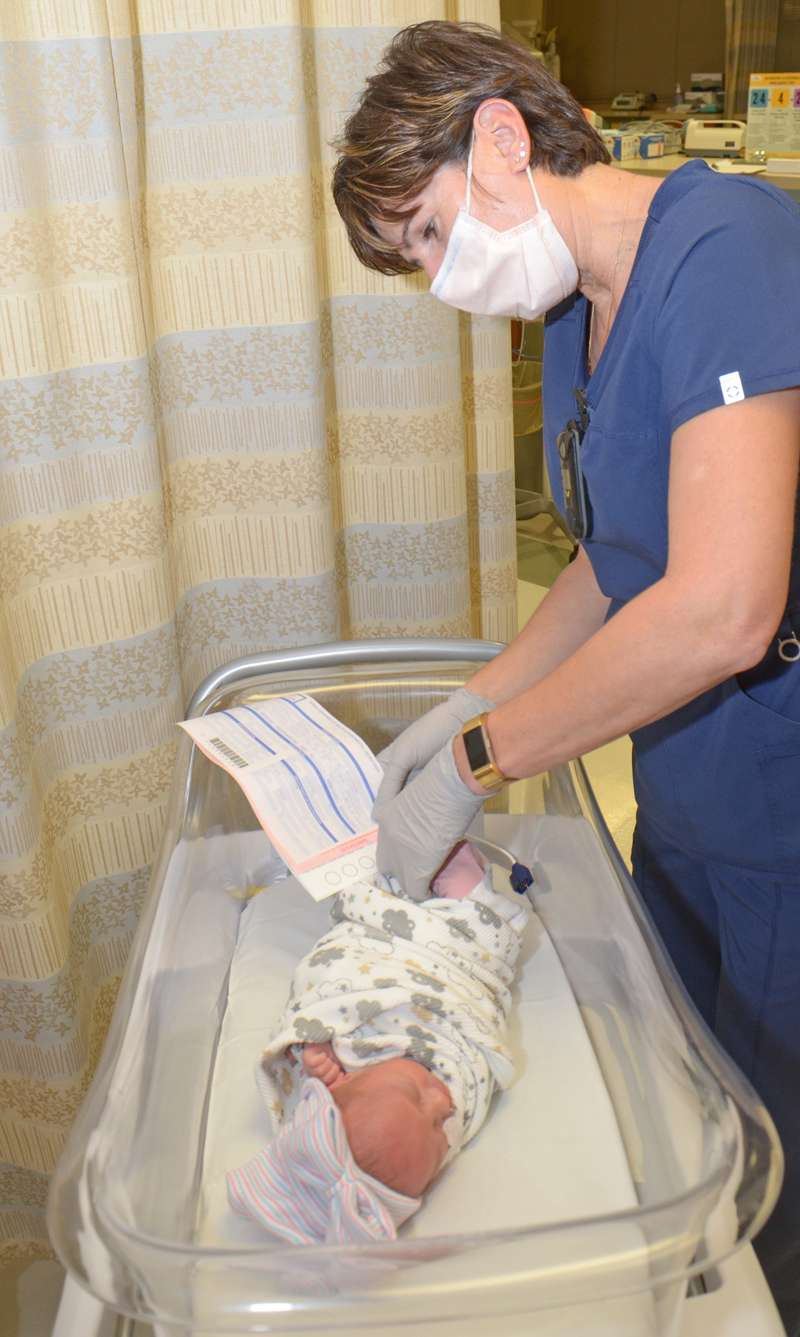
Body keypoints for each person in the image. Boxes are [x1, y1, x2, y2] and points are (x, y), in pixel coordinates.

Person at [331, 19, 800, 1329]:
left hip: (781, 781)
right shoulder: (579, 321)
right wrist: (472, 701)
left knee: (776, 1159)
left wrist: (484, 763)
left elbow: (721, 606)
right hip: (690, 785)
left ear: (497, 138)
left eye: (425, 233)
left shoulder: (730, 253)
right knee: (680, 1088)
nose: (436, 278)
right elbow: (613, 563)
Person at [226, 842, 529, 1243]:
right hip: (457, 969)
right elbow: (478, 1045)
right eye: (440, 1129)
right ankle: (463, 898)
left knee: (373, 879)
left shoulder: (341, 1069)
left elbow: (321, 999)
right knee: (490, 932)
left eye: (414, 1096)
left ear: (338, 1087)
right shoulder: (448, 1097)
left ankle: (394, 878)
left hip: (376, 949)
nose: (443, 1102)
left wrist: (312, 1054)